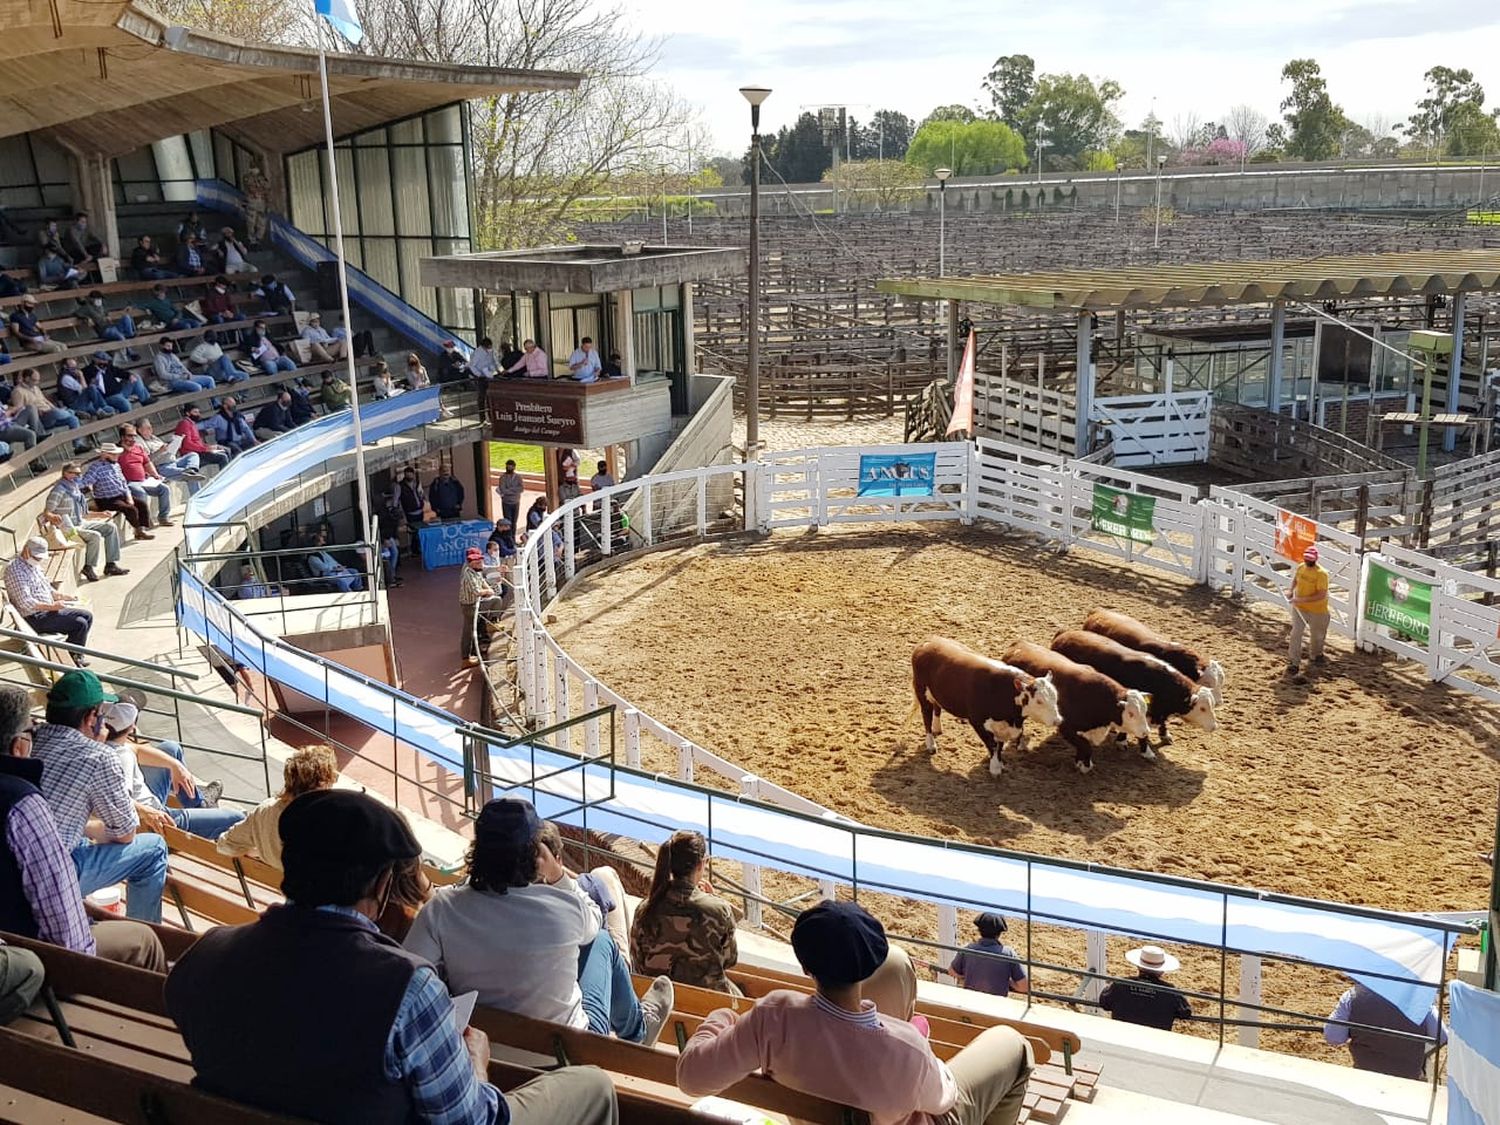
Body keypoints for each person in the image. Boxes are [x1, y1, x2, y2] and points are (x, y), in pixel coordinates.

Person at [168, 789, 621, 1125]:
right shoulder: (406, 988)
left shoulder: (205, 954)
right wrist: (477, 1066)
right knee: (594, 1084)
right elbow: (468, 1121)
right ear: (383, 885)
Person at [677, 899, 1033, 1125]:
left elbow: (691, 1080)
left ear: (805, 966)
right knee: (1012, 1044)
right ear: (871, 966)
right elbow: (944, 1099)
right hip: (914, 1090)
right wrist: (925, 1055)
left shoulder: (772, 1017)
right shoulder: (906, 1045)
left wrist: (721, 1018)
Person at [404, 796, 675, 1046]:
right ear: (536, 854)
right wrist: (559, 877)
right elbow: (594, 920)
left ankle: (638, 1027)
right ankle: (638, 1030)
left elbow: (407, 978)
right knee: (602, 940)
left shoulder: (442, 909)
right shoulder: (565, 906)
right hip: (569, 1052)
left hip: (485, 1048)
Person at [0, 685, 167, 971]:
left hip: (14, 932)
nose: (34, 734)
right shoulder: (23, 803)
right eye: (30, 729)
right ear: (19, 746)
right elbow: (66, 934)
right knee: (145, 933)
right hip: (32, 953)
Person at [30, 670, 168, 923]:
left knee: (82, 841)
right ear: (91, 716)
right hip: (51, 881)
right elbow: (126, 833)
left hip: (18, 866)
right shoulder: (98, 757)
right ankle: (146, 934)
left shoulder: (28, 740)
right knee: (154, 849)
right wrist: (94, 828)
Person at [100, 699, 241, 841]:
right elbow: (117, 803)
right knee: (238, 818)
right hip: (155, 821)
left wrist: (175, 765)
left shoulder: (106, 744)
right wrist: (147, 812)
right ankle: (205, 811)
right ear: (132, 728)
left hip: (146, 804)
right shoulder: (121, 758)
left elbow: (136, 750)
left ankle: (201, 805)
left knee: (171, 748)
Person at [630, 829, 738, 993]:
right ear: (702, 863)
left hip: (657, 996)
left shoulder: (645, 909)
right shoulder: (719, 910)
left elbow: (638, 961)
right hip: (707, 1000)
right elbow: (730, 959)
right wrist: (714, 900)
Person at [216, 744, 337, 870]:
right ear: (322, 784)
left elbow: (224, 844)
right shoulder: (328, 823)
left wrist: (258, 851)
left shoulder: (265, 812)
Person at [1324, 980, 1446, 1080]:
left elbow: (1333, 1037)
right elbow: (1442, 1037)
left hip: (1364, 1075)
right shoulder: (1421, 1001)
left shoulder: (1352, 997)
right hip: (1407, 1080)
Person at [43, 461, 128, 583]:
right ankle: (89, 567)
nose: (78, 476)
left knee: (110, 527)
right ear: (66, 473)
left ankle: (111, 564)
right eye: (75, 474)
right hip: (67, 528)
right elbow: (47, 512)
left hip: (80, 522)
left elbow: (84, 513)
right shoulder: (59, 490)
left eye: (79, 473)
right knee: (95, 536)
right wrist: (53, 516)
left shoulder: (75, 489)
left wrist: (101, 514)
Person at [4, 538, 93, 650]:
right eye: (37, 557)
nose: (39, 560)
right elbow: (25, 603)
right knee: (80, 624)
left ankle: (73, 652)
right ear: (26, 550)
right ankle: (74, 654)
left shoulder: (33, 564)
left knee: (87, 616)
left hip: (46, 611)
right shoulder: (15, 571)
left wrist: (62, 596)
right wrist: (52, 607)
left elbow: (46, 587)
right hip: (34, 618)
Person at [1098, 944, 1192, 1031]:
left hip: (1122, 1036)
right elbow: (1185, 1013)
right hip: (1156, 1042)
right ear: (1161, 971)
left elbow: (1104, 1002)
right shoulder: (1171, 992)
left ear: (1138, 966)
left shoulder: (1120, 984)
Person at [82, 444, 156, 537]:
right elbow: (85, 481)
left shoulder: (116, 465)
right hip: (107, 499)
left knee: (142, 504)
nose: (116, 456)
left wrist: (129, 496)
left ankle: (142, 527)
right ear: (105, 454)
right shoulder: (96, 467)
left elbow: (123, 482)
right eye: (113, 454)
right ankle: (138, 531)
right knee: (130, 509)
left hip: (121, 495)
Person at [948, 914, 1028, 998]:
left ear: (979, 930)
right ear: (999, 933)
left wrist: (967, 976)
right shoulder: (1008, 953)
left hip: (970, 1003)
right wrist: (1007, 981)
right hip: (995, 1005)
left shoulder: (968, 949)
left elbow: (951, 971)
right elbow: (1024, 986)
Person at [458, 548, 506, 665]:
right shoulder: (468, 574)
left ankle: (491, 623)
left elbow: (482, 575)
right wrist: (487, 591)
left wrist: (489, 586)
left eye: (479, 560)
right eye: (476, 561)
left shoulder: (475, 569)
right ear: (470, 562)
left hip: (476, 602)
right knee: (468, 631)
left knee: (496, 600)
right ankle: (465, 658)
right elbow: (476, 591)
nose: (480, 563)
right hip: (470, 605)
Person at [1287, 544, 1330, 674]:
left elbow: (1321, 594)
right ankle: (1294, 662)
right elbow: (1296, 579)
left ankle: (1316, 655)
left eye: (1310, 560)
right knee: (1296, 634)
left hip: (1317, 610)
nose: (1307, 561)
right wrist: (1291, 590)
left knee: (1317, 636)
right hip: (1300, 608)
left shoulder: (1321, 574)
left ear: (1315, 560)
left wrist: (1300, 600)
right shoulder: (1301, 567)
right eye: (1306, 559)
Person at [117, 430, 176, 519]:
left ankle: (163, 517)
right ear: (122, 437)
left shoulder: (138, 448)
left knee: (164, 489)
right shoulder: (117, 451)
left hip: (144, 480)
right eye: (130, 436)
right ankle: (144, 520)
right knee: (141, 493)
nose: (133, 438)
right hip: (130, 482)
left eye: (134, 436)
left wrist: (155, 474)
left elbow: (147, 463)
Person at [136, 417, 206, 484]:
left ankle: (191, 469)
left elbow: (167, 448)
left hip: (173, 461)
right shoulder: (142, 443)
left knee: (193, 455)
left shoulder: (154, 438)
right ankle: (189, 472)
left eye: (151, 427)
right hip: (163, 467)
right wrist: (160, 450)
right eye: (147, 428)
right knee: (189, 475)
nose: (151, 429)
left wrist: (175, 444)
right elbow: (148, 461)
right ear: (140, 430)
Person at [74, 292, 138, 356]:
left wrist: (107, 316)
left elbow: (106, 312)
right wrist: (87, 318)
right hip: (104, 330)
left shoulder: (101, 307)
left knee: (126, 317)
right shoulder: (87, 308)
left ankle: (129, 334)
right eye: (97, 299)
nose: (99, 301)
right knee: (120, 336)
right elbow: (76, 313)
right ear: (92, 299)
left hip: (112, 326)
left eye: (100, 299)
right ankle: (130, 352)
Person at [87, 351, 152, 413]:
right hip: (109, 397)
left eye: (106, 360)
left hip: (120, 390)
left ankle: (145, 399)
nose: (105, 362)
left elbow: (119, 372)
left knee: (136, 377)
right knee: (127, 405)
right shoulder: (89, 371)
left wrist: (129, 375)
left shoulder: (108, 367)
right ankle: (129, 421)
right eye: (103, 360)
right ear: (95, 359)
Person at [135, 282, 202, 332]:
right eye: (160, 292)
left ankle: (187, 342)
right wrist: (142, 308)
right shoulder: (153, 302)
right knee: (186, 326)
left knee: (196, 324)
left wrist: (176, 318)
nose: (162, 294)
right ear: (156, 292)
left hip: (178, 320)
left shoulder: (167, 301)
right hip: (169, 323)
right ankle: (182, 343)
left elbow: (178, 311)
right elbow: (140, 305)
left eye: (163, 292)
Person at [497, 459, 524, 528]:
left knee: (514, 522)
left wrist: (509, 490)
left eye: (510, 467)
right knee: (507, 521)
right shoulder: (503, 477)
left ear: (514, 467)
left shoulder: (518, 477)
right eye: (507, 467)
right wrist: (514, 490)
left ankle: (513, 536)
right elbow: (503, 490)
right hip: (506, 502)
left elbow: (521, 489)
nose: (509, 468)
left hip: (516, 502)